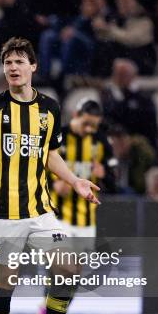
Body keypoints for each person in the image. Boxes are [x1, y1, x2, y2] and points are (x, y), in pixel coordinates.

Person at [0, 37, 100, 314]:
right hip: (2, 212)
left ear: (33, 66)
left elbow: (50, 154)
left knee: (68, 267)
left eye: (19, 61)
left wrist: (75, 181)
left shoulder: (50, 109)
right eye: (8, 62)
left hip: (39, 209)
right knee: (6, 285)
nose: (13, 67)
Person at [49, 99, 115, 238]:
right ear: (75, 115)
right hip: (56, 218)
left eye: (94, 126)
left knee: (80, 261)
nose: (89, 129)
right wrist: (52, 185)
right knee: (61, 260)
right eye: (86, 123)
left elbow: (113, 183)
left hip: (87, 222)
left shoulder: (102, 141)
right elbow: (34, 170)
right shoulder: (57, 136)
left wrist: (104, 175)